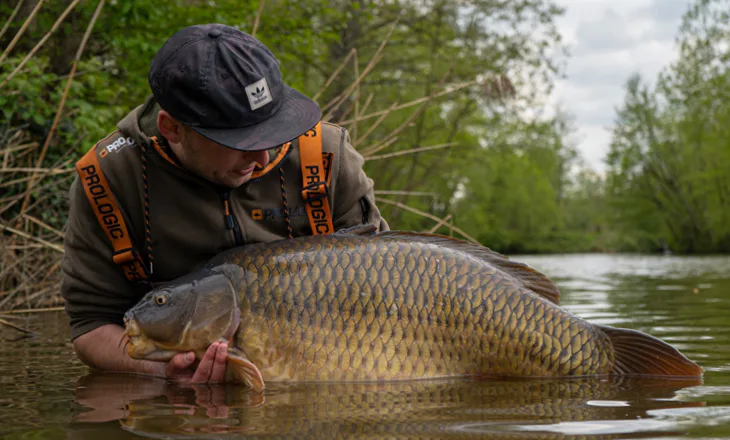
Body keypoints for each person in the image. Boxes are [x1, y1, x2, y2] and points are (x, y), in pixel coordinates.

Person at [61, 23, 389, 384]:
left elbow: (387, 289)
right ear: (172, 129)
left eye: (273, 130)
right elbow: (90, 325)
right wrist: (166, 375)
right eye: (241, 141)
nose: (263, 158)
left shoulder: (325, 156)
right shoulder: (109, 179)